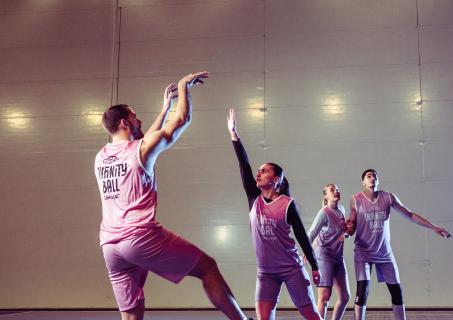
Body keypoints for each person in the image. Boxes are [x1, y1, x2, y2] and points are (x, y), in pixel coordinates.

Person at [95, 72, 251, 320]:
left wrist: (164, 107)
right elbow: (183, 119)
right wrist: (183, 86)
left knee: (131, 316)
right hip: (139, 237)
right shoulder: (142, 150)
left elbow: (145, 140)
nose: (139, 120)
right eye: (135, 116)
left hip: (110, 246)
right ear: (124, 123)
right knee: (208, 268)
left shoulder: (101, 156)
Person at [227, 108, 322, 320]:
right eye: (259, 170)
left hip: (291, 269)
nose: (259, 173)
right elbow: (244, 164)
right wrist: (234, 135)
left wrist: (315, 267)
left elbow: (302, 237)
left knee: (312, 316)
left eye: (265, 170)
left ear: (276, 180)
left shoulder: (288, 204)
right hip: (265, 273)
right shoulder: (254, 198)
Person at [345, 169, 452, 320]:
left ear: (378, 180)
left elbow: (410, 214)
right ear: (363, 182)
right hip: (363, 253)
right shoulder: (355, 200)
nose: (372, 178)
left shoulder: (388, 197)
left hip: (384, 253)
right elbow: (352, 224)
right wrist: (346, 233)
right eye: (368, 176)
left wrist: (434, 228)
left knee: (397, 291)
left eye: (375, 175)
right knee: (362, 292)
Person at [307, 184, 350, 320]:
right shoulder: (323, 213)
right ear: (326, 196)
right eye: (332, 190)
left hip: (338, 256)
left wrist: (347, 234)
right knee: (325, 298)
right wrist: (307, 253)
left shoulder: (342, 209)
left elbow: (343, 230)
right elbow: (311, 234)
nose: (336, 191)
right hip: (323, 255)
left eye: (338, 189)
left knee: (345, 297)